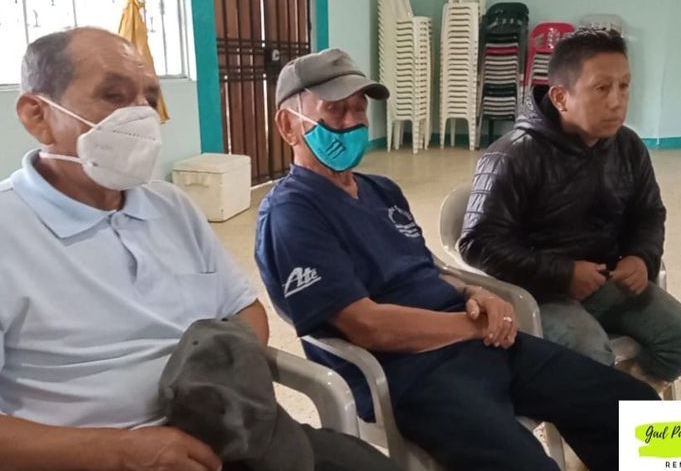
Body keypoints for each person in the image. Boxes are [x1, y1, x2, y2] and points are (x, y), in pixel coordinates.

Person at [0, 27, 400, 471]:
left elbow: (243, 309)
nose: (141, 115)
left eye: (149, 98)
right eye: (114, 96)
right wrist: (122, 452)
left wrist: (219, 385)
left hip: (226, 433)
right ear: (38, 115)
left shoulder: (170, 206)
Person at [255, 47, 659, 471]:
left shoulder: (381, 191)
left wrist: (472, 292)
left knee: (638, 409)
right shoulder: (293, 214)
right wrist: (471, 326)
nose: (353, 121)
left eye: (359, 108)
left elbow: (426, 269)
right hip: (411, 373)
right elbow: (367, 325)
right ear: (288, 125)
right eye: (336, 110)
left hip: (481, 344)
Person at [458, 29, 681, 392]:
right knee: (590, 354)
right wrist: (563, 273)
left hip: (605, 282)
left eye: (624, 86)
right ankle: (599, 410)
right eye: (602, 88)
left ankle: (624, 401)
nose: (617, 101)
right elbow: (478, 244)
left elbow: (648, 213)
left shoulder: (628, 147)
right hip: (537, 292)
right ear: (561, 97)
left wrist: (641, 256)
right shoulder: (512, 156)